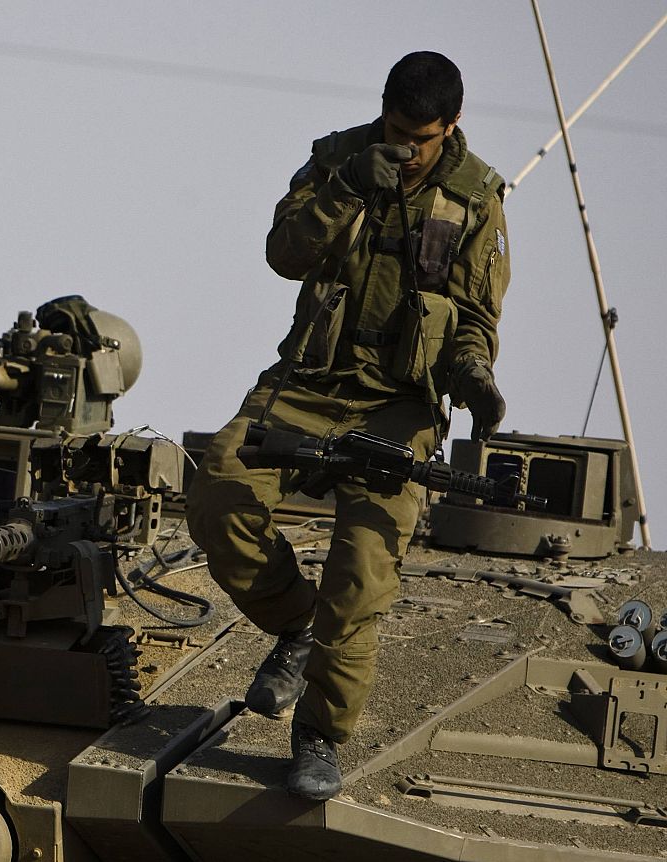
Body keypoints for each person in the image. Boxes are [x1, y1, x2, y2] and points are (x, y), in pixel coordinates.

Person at [186, 52, 511, 801]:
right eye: (395, 132)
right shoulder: (338, 161)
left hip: (398, 407)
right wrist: (348, 188)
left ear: (450, 127)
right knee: (217, 497)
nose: (406, 149)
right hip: (305, 385)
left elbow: (474, 320)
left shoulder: (476, 198)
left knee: (361, 573)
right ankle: (295, 626)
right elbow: (283, 254)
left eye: (419, 139)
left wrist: (474, 379)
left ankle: (319, 733)